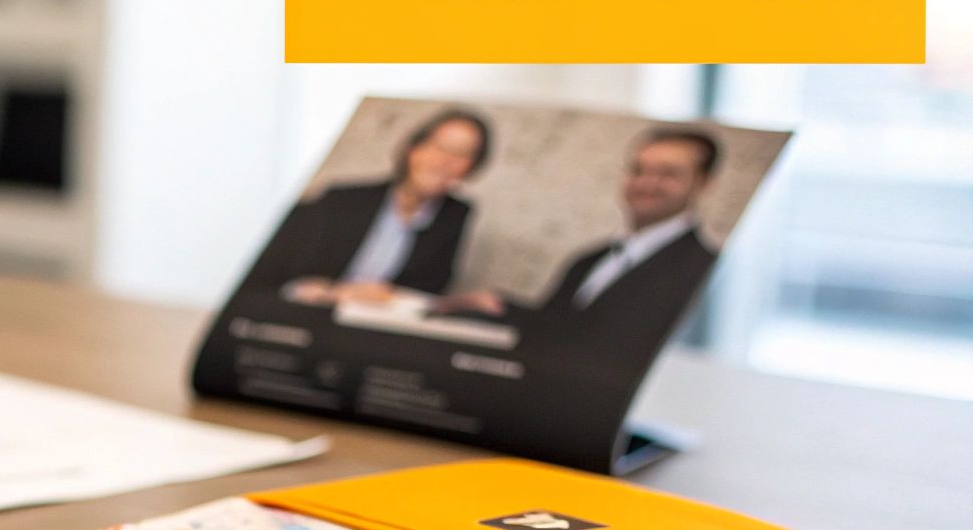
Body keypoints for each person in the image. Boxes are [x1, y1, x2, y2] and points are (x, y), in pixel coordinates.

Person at [434, 128, 722, 360]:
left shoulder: (705, 272)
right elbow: (558, 326)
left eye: (667, 174)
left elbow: (605, 342)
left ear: (703, 183)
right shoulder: (590, 258)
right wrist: (497, 304)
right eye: (638, 170)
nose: (646, 183)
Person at [243, 109, 492, 303]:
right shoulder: (340, 200)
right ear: (413, 149)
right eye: (440, 147)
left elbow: (431, 289)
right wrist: (328, 292)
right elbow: (272, 277)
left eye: (462, 153)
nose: (445, 161)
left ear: (471, 167)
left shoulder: (454, 215)